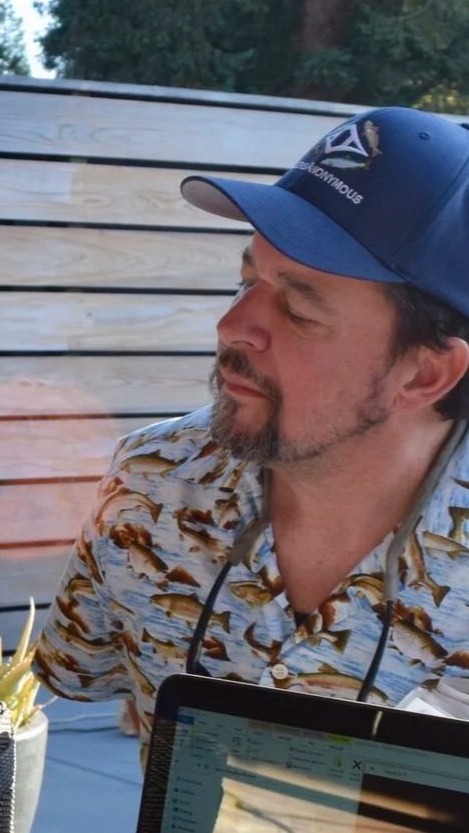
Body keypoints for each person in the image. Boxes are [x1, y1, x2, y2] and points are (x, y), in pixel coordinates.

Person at [36, 107, 469, 742]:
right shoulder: (151, 484)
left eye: (298, 308)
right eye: (245, 280)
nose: (232, 326)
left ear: (425, 375)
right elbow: (72, 686)